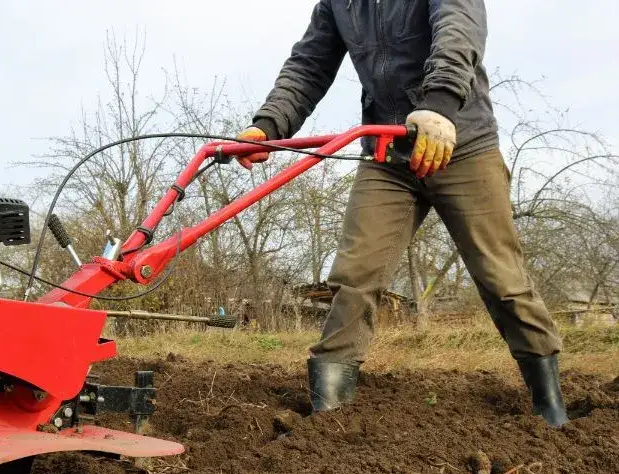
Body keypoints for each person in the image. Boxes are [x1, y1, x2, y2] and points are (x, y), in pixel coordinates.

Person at [237, 0, 569, 427]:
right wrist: (269, 126)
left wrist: (439, 104)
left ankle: (550, 406)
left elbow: (459, 31)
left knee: (502, 280)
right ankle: (328, 417)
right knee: (354, 278)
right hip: (388, 154)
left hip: (460, 144)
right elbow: (309, 65)